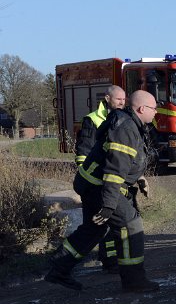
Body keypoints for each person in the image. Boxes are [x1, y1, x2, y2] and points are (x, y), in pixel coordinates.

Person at [45, 90, 160, 293]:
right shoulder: (127, 128)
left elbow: (124, 161)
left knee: (94, 229)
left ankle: (58, 268)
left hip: (93, 185)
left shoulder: (130, 124)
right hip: (101, 187)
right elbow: (114, 170)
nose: (156, 112)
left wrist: (138, 178)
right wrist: (108, 204)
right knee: (130, 224)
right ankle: (134, 281)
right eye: (153, 108)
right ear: (142, 109)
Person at [74, 85, 127, 273]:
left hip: (110, 180)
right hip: (94, 182)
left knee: (111, 224)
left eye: (124, 99)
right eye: (118, 99)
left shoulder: (123, 118)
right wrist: (86, 178)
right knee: (97, 226)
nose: (122, 102)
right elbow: (84, 152)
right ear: (107, 98)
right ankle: (63, 263)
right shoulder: (93, 119)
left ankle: (111, 261)